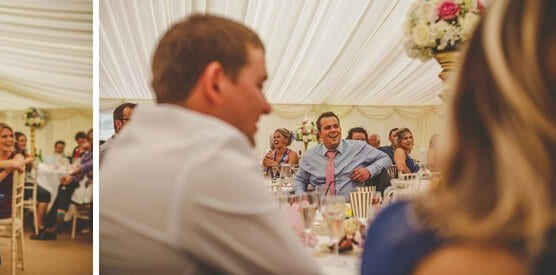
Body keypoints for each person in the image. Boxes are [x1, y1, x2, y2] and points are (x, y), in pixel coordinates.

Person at [100, 14, 320, 274]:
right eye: (258, 85)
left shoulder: (138, 144)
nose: (266, 105)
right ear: (215, 81)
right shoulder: (204, 156)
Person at [363, 0, 556, 274]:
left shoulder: (406, 235)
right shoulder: (400, 157)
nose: (407, 142)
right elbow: (406, 171)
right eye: (404, 140)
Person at [294, 112, 391, 198]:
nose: (333, 130)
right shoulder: (310, 156)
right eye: (328, 128)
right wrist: (300, 196)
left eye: (336, 126)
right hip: (321, 209)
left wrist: (369, 171)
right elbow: (300, 180)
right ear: (320, 133)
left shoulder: (358, 147)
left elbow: (386, 159)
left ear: (340, 129)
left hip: (354, 209)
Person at [32, 129, 93, 240]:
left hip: (91, 182)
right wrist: (72, 177)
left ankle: (50, 226)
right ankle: (55, 223)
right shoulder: (87, 154)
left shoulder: (94, 153)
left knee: (63, 189)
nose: (92, 141)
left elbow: (86, 167)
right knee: (63, 187)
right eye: (91, 139)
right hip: (79, 180)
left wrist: (73, 175)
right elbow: (78, 170)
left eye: (93, 139)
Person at [0, 123, 26, 219]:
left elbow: (17, 164)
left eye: (11, 136)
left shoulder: (17, 156)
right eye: (4, 136)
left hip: (5, 204)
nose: (9, 140)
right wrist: (7, 171)